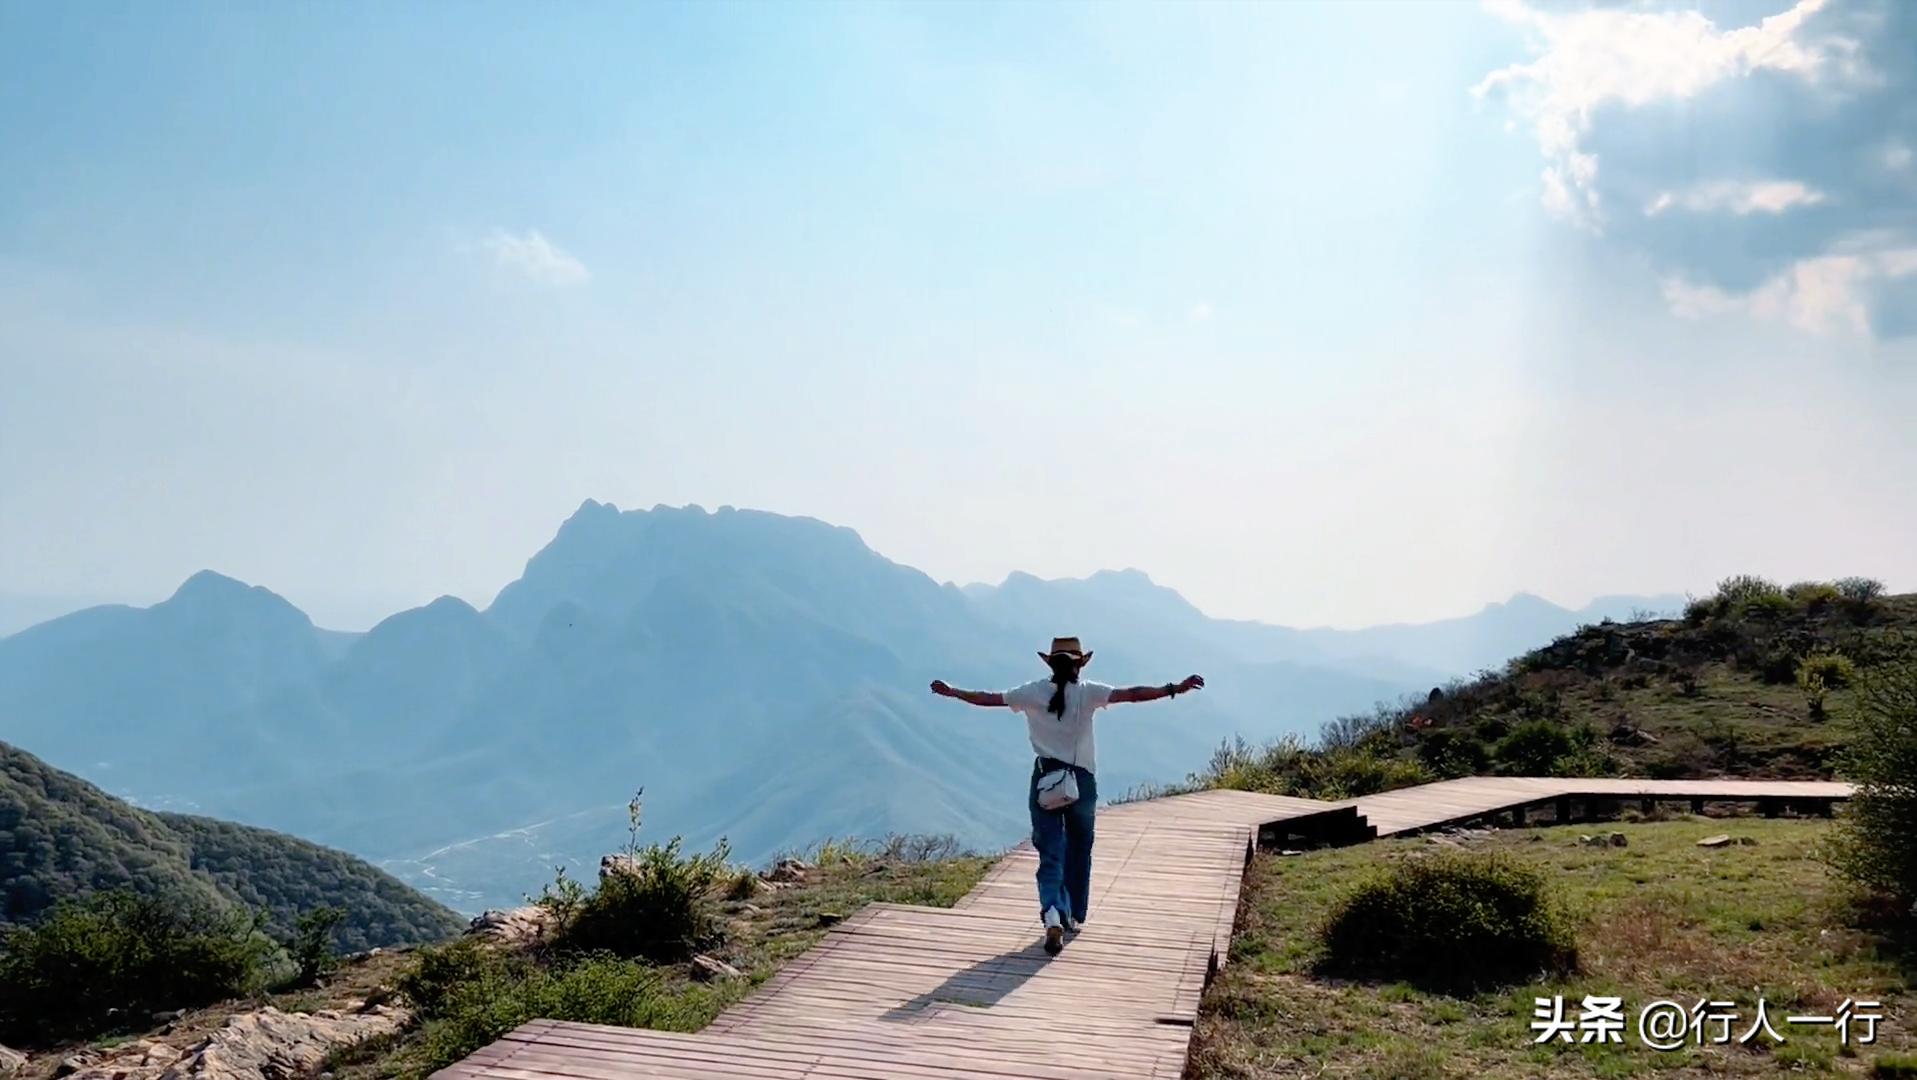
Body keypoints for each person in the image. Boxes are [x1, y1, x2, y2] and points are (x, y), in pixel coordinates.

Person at [930, 636, 1204, 954]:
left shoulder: (1032, 692)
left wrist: (953, 692)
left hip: (1046, 779)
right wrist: (1175, 688)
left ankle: (1052, 912)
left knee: (1050, 852)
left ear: (1050, 663)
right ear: (1079, 664)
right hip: (1082, 783)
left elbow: (988, 699)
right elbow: (1132, 694)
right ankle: (1072, 913)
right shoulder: (1089, 693)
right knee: (1079, 847)